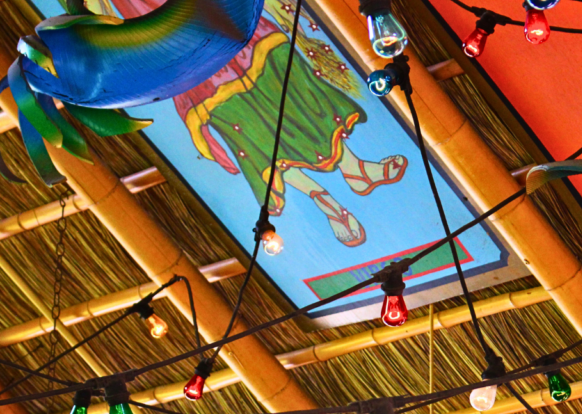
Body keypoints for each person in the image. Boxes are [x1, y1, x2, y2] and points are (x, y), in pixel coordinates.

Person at [91, 0, 407, 246]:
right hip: (162, 34)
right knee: (247, 127)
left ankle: (354, 168)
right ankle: (324, 200)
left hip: (216, 16)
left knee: (287, 77)